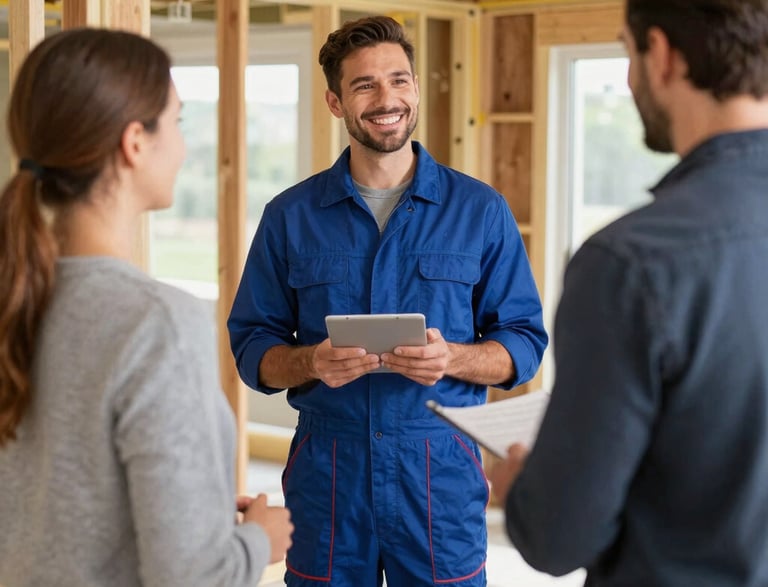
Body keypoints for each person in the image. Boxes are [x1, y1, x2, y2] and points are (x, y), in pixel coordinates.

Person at [228, 15, 547, 587]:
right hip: (328, 480)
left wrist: (453, 358)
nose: (387, 99)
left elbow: (523, 344)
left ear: (416, 89)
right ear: (335, 102)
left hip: (438, 481)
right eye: (365, 85)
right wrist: (310, 362)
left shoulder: (480, 211)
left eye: (400, 80)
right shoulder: (289, 217)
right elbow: (253, 348)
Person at [0, 28, 293, 586]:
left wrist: (194, 517)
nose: (184, 147)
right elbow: (191, 580)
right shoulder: (157, 322)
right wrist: (257, 540)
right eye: (177, 122)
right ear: (135, 142)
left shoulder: (14, 292)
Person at [489, 1, 768, 585]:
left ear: (661, 55)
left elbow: (558, 536)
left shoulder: (629, 264)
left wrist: (522, 488)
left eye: (627, 52)